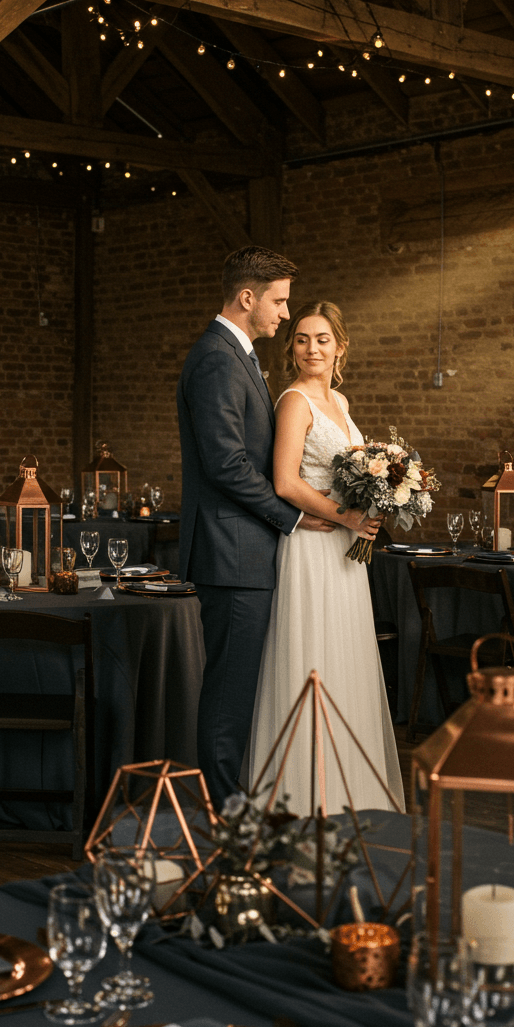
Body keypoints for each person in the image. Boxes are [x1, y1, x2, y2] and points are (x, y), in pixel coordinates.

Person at [177, 249, 373, 812]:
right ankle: (224, 811)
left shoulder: (237, 358)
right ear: (249, 298)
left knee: (240, 689)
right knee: (230, 691)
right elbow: (226, 465)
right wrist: (296, 515)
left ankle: (236, 799)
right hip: (230, 549)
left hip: (248, 548)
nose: (285, 315)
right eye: (280, 301)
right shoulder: (217, 359)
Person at [247, 301, 405, 815]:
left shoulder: (338, 399)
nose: (311, 348)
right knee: (312, 653)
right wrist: (348, 517)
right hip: (313, 547)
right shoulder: (294, 401)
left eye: (321, 339)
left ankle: (351, 789)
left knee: (346, 656)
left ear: (340, 346)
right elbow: (286, 482)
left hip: (344, 550)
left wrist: (375, 505)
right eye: (300, 339)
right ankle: (303, 796)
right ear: (292, 349)